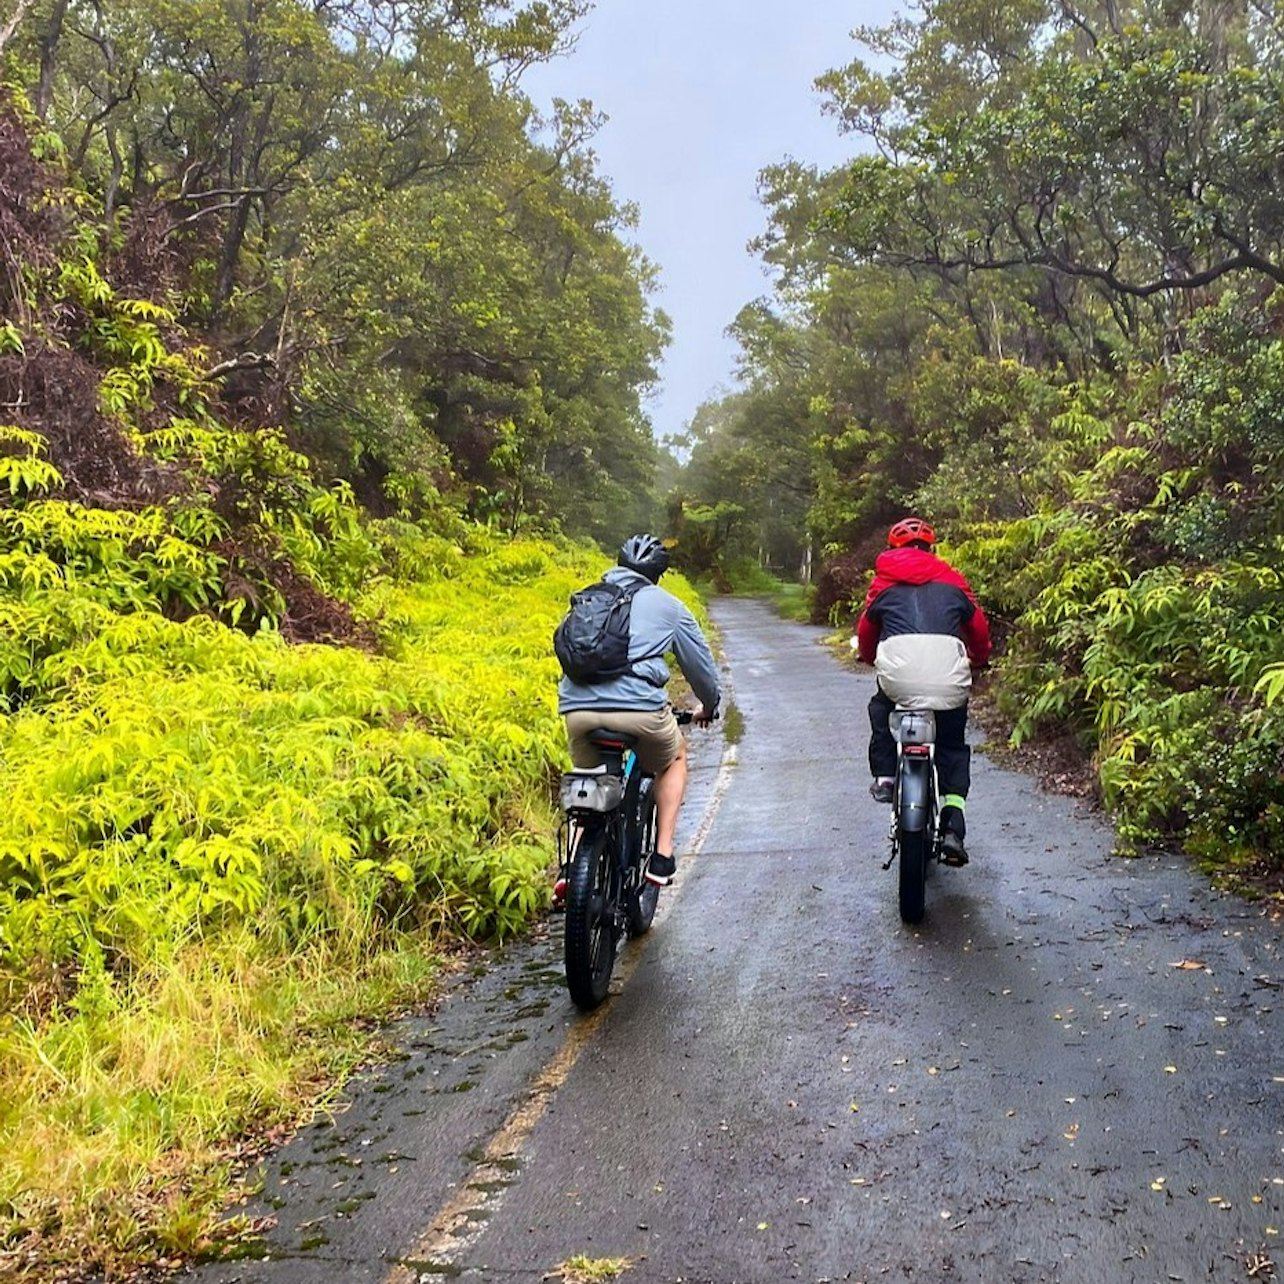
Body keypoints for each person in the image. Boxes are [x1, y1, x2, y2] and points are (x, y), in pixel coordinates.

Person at [558, 534, 721, 887]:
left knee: (589, 780)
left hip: (578, 710)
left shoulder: (588, 597)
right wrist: (708, 706)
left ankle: (572, 869)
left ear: (617, 565)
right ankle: (662, 857)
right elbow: (701, 670)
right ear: (658, 575)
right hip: (640, 713)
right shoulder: (669, 606)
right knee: (674, 757)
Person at [855, 517, 992, 865]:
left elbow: (867, 633)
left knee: (881, 709)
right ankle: (953, 820)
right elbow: (977, 629)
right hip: (947, 678)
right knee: (950, 743)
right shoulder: (953, 581)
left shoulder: (882, 585)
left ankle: (886, 778)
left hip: (899, 680)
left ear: (893, 549)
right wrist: (980, 658)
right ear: (931, 549)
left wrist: (869, 657)